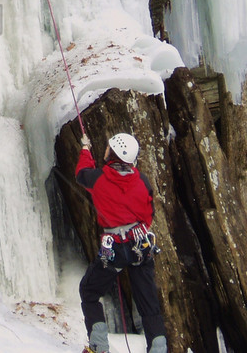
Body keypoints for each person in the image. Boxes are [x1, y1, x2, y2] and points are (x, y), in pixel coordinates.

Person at [75, 132, 167, 353]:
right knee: (149, 304)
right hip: (140, 247)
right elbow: (149, 214)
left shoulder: (98, 179)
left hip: (115, 250)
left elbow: (81, 174)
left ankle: (99, 347)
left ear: (112, 153)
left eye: (108, 147)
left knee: (89, 291)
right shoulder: (142, 181)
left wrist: (86, 149)